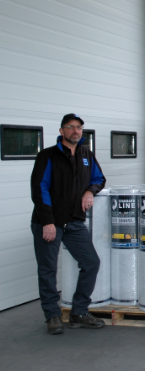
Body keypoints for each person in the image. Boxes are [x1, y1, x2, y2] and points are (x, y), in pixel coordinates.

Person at [30, 113, 107, 335]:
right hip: (49, 223)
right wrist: (47, 221)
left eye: (79, 128)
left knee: (91, 263)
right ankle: (52, 316)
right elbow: (39, 189)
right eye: (71, 127)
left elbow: (99, 179)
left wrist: (89, 191)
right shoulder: (48, 156)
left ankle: (79, 312)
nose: (76, 131)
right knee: (48, 270)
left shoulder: (86, 154)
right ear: (62, 130)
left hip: (74, 222)